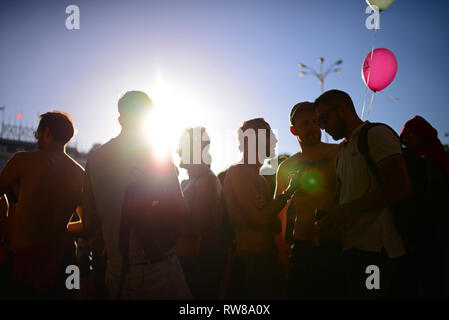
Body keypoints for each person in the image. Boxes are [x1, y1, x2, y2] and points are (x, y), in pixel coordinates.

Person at [81, 91, 191, 300]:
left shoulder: (95, 159)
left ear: (120, 119)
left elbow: (88, 223)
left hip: (117, 272)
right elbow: (181, 210)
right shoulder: (156, 153)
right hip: (158, 267)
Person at [313, 90, 410, 299]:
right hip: (353, 251)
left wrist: (347, 210)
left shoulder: (375, 134)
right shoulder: (343, 152)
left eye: (323, 118)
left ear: (342, 109)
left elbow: (400, 186)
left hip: (377, 251)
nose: (321, 127)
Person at [0, 111, 84, 299]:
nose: (37, 140)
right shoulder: (81, 175)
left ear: (46, 132)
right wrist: (60, 230)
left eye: (37, 134)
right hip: (67, 262)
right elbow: (89, 224)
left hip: (24, 257)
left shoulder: (23, 161)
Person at [223, 118, 300, 299]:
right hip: (250, 263)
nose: (274, 140)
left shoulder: (258, 177)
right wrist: (288, 192)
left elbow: (270, 221)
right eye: (267, 135)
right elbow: (257, 219)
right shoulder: (239, 172)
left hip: (264, 260)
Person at [275, 102, 341, 299]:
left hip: (336, 245)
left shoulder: (337, 153)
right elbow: (280, 209)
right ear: (294, 130)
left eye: (315, 121)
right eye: (305, 123)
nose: (312, 127)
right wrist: (280, 248)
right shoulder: (287, 167)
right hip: (303, 248)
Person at [400, 115, 449, 298]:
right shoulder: (409, 162)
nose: (406, 140)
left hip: (436, 232)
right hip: (415, 233)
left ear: (422, 135)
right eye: (403, 137)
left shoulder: (436, 160)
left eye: (410, 135)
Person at [174, 126, 226, 299]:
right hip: (181, 262)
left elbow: (196, 227)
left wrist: (164, 224)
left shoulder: (208, 181)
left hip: (198, 264)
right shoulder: (186, 182)